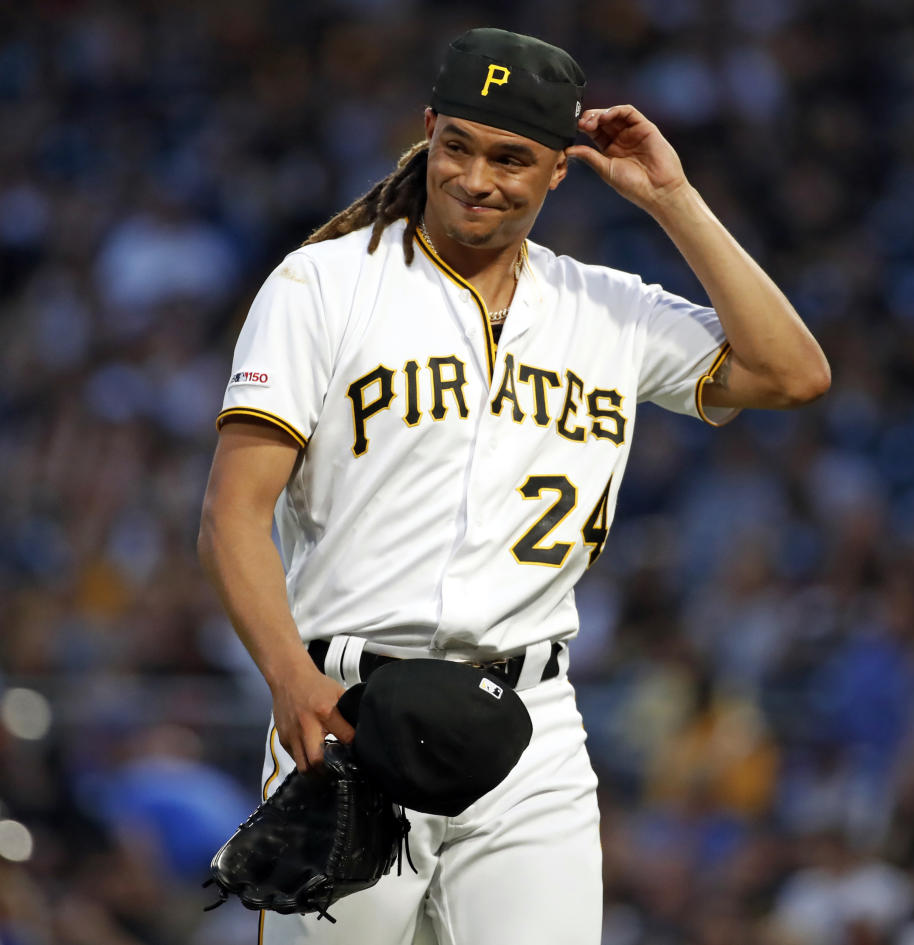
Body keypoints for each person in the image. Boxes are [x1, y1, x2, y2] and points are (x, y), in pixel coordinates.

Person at [197, 27, 830, 945]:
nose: (476, 177)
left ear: (560, 171)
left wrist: (675, 200)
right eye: (456, 144)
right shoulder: (325, 284)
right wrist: (290, 681)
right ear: (427, 132)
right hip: (349, 710)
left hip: (530, 730)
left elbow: (793, 373)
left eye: (511, 157)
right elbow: (230, 517)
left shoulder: (605, 308)